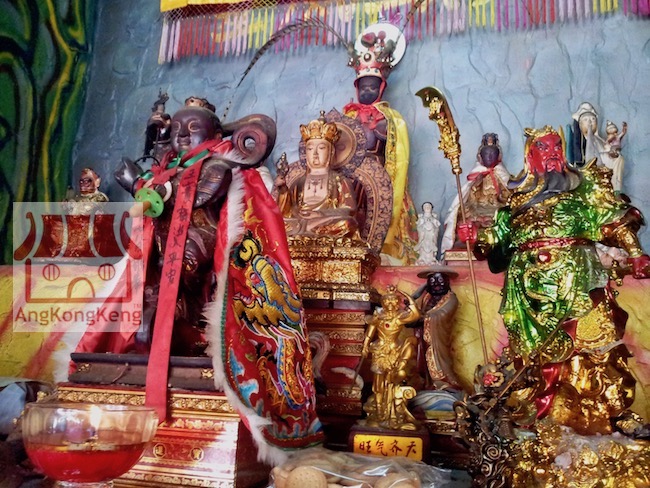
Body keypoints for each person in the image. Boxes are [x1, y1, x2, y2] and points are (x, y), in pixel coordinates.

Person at [75, 97, 323, 463]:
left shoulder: (218, 165)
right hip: (164, 242)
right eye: (177, 130)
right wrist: (146, 177)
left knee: (180, 279)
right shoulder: (168, 169)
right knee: (146, 288)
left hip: (200, 242)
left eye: (193, 129)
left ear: (212, 134)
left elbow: (195, 196)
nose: (182, 136)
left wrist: (138, 183)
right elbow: (159, 197)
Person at [458, 126, 650, 436]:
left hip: (579, 281)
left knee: (595, 345)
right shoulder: (516, 201)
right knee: (533, 358)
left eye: (556, 147)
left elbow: (614, 219)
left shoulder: (583, 189)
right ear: (529, 156)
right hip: (528, 290)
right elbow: (497, 242)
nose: (552, 154)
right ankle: (539, 415)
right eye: (544, 148)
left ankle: (613, 412)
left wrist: (636, 253)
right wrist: (476, 236)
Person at [344, 23, 418, 265]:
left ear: (381, 88)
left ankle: (377, 249)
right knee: (351, 211)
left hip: (379, 175)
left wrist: (382, 131)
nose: (367, 91)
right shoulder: (349, 116)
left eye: (372, 87)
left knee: (376, 211)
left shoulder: (391, 118)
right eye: (363, 87)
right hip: (352, 176)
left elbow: (398, 153)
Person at [274, 112, 361, 238]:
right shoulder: (299, 182)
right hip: (299, 222)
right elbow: (287, 211)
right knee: (278, 224)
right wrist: (283, 191)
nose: (315, 153)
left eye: (321, 148)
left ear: (331, 152)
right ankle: (304, 232)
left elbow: (349, 210)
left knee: (347, 223)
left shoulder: (339, 180)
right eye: (310, 149)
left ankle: (305, 233)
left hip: (323, 222)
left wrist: (321, 214)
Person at [360, 285, 421, 430]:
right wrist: (365, 346)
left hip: (395, 350)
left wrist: (409, 298)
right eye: (387, 301)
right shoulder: (378, 316)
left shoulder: (399, 317)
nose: (390, 304)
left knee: (392, 380)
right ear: (383, 303)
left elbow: (415, 315)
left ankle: (392, 410)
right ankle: (379, 409)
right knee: (378, 382)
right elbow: (370, 333)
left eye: (394, 301)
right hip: (379, 350)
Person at [440, 133, 511, 256]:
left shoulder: (503, 176)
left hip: (496, 210)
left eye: (492, 154)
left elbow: (509, 196)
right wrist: (476, 184)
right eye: (486, 154)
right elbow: (469, 197)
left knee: (507, 221)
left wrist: (501, 195)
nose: (489, 157)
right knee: (464, 221)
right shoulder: (477, 175)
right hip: (478, 209)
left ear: (498, 156)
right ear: (480, 157)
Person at [412, 268, 460, 388]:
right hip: (425, 336)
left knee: (441, 359)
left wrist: (423, 318)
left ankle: (446, 383)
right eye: (432, 281)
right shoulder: (427, 298)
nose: (436, 284)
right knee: (425, 360)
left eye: (440, 280)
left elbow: (442, 314)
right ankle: (428, 384)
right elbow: (419, 311)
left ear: (447, 282)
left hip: (439, 337)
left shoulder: (451, 299)